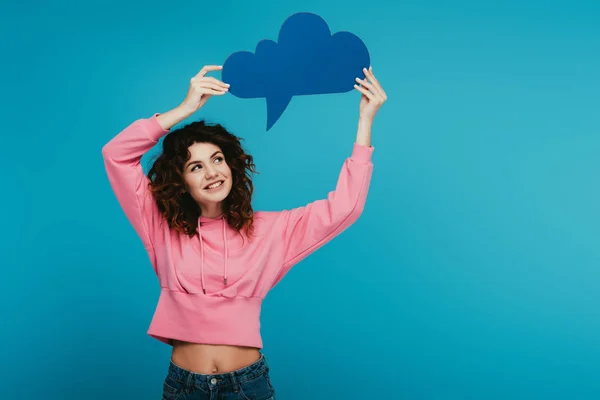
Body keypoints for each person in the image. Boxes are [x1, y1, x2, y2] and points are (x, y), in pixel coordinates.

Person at [101, 64, 387, 399]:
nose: (211, 172)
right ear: (181, 181)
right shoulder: (160, 225)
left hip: (246, 386)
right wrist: (185, 108)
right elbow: (116, 155)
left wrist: (365, 122)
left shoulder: (271, 231)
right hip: (184, 386)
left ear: (231, 166)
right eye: (196, 166)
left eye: (217, 159)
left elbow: (346, 207)